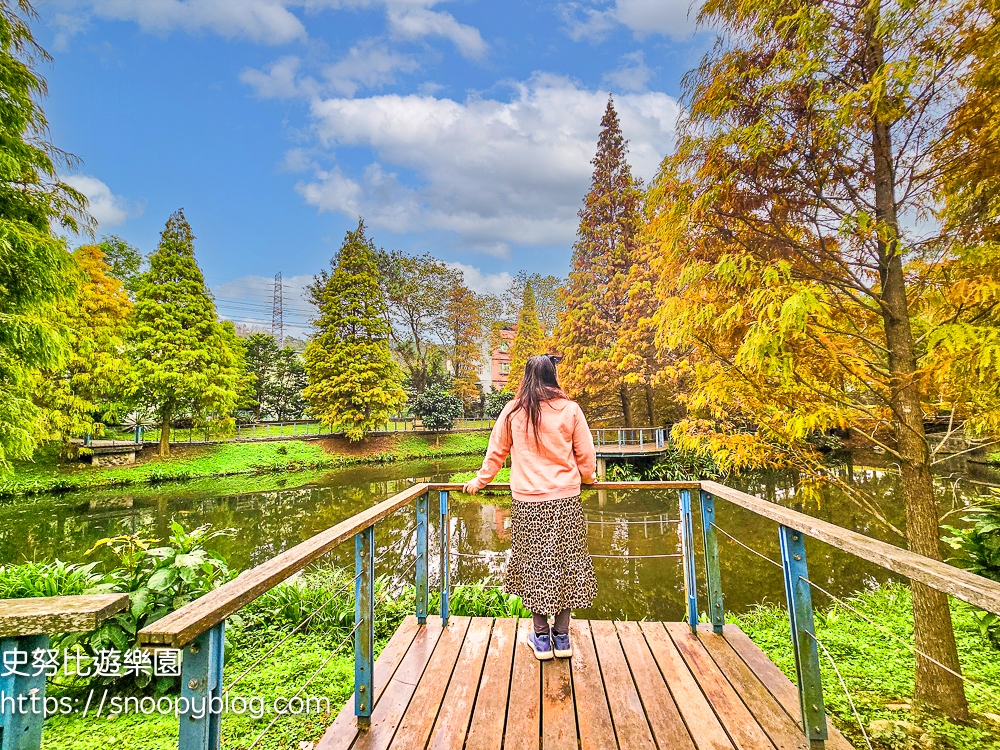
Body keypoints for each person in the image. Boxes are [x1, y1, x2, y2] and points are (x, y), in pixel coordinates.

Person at [463, 354, 597, 660]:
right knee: (567, 564)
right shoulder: (571, 410)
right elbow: (586, 455)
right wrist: (588, 478)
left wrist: (480, 481)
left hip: (527, 503)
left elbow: (496, 452)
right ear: (553, 376)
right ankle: (561, 638)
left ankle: (540, 639)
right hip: (565, 501)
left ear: (525, 377)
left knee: (534, 565)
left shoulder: (512, 411)